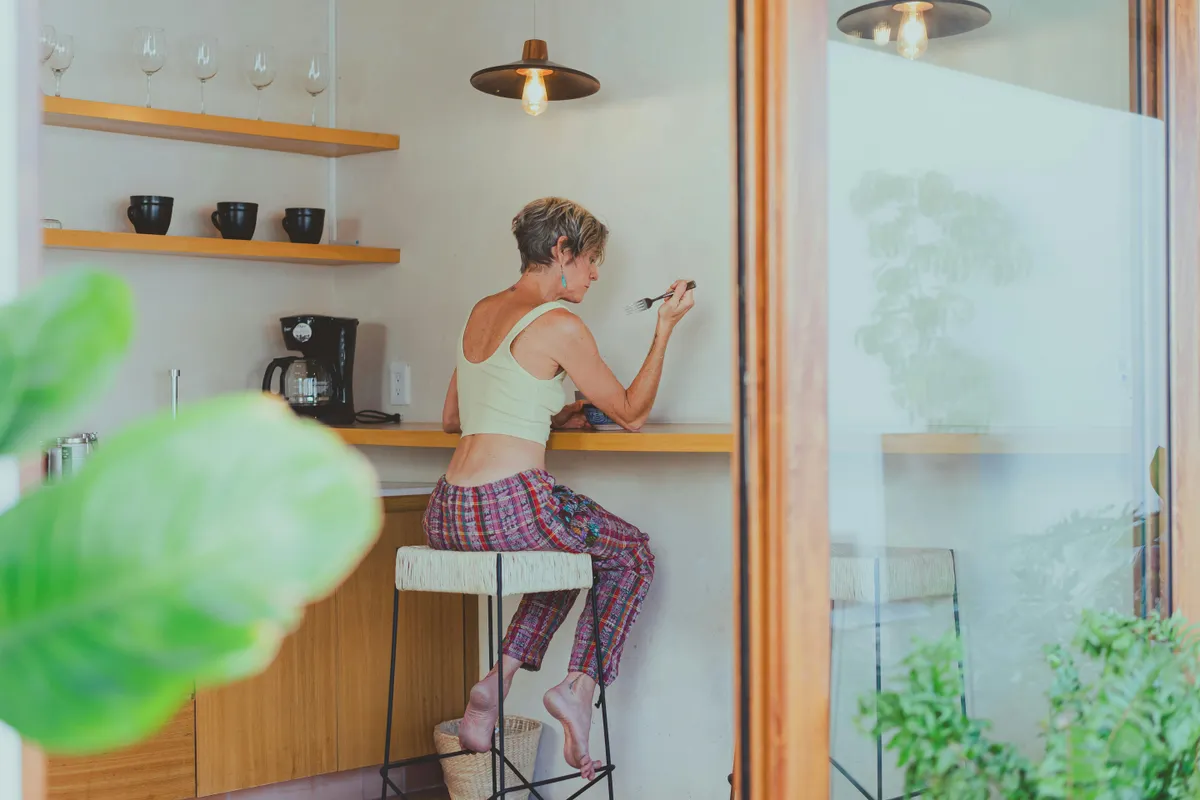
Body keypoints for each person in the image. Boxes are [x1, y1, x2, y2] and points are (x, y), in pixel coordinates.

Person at [422, 197, 695, 780]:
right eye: (592, 259)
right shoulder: (559, 324)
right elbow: (631, 412)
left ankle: (499, 682)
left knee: (566, 556)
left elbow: (454, 418)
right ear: (560, 253)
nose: (596, 274)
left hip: (448, 509)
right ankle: (576, 686)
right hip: (507, 505)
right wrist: (665, 328)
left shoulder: (481, 311)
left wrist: (550, 414)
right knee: (631, 556)